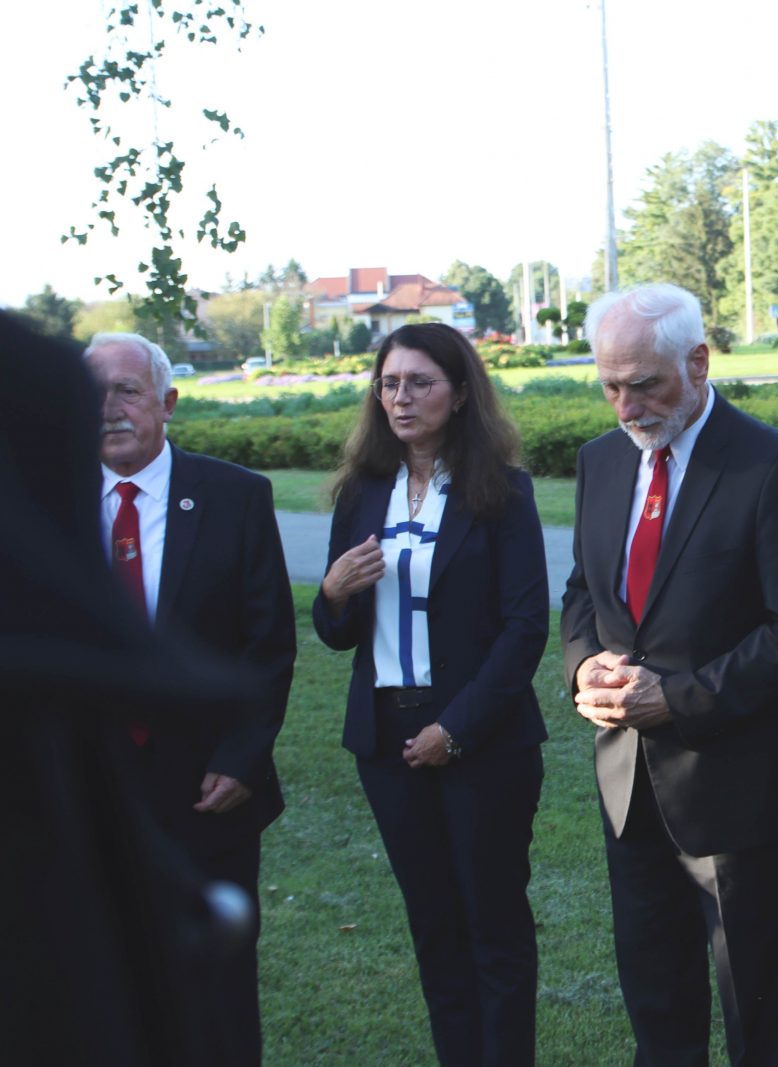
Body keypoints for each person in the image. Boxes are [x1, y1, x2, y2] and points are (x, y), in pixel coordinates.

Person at [559, 283, 778, 1066]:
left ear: (699, 362)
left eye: (645, 383)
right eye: (610, 385)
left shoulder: (771, 464)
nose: (627, 406)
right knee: (656, 1000)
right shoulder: (600, 461)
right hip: (628, 783)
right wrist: (582, 667)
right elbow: (582, 590)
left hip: (738, 785)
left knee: (754, 1003)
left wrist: (676, 698)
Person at [313, 322, 547, 1066]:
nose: (401, 398)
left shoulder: (501, 491)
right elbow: (337, 632)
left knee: (493, 930)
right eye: (389, 383)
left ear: (460, 393)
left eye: (420, 382)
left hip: (483, 742)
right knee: (435, 931)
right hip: (386, 743)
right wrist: (332, 592)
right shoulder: (362, 493)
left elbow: (525, 627)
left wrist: (458, 728)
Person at [85, 330, 296, 1066]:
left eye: (127, 390)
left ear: (168, 402)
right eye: (93, 393)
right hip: (89, 795)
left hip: (209, 789)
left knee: (217, 988)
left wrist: (242, 757)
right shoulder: (41, 501)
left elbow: (268, 645)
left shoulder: (236, 497)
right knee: (102, 984)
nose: (109, 408)